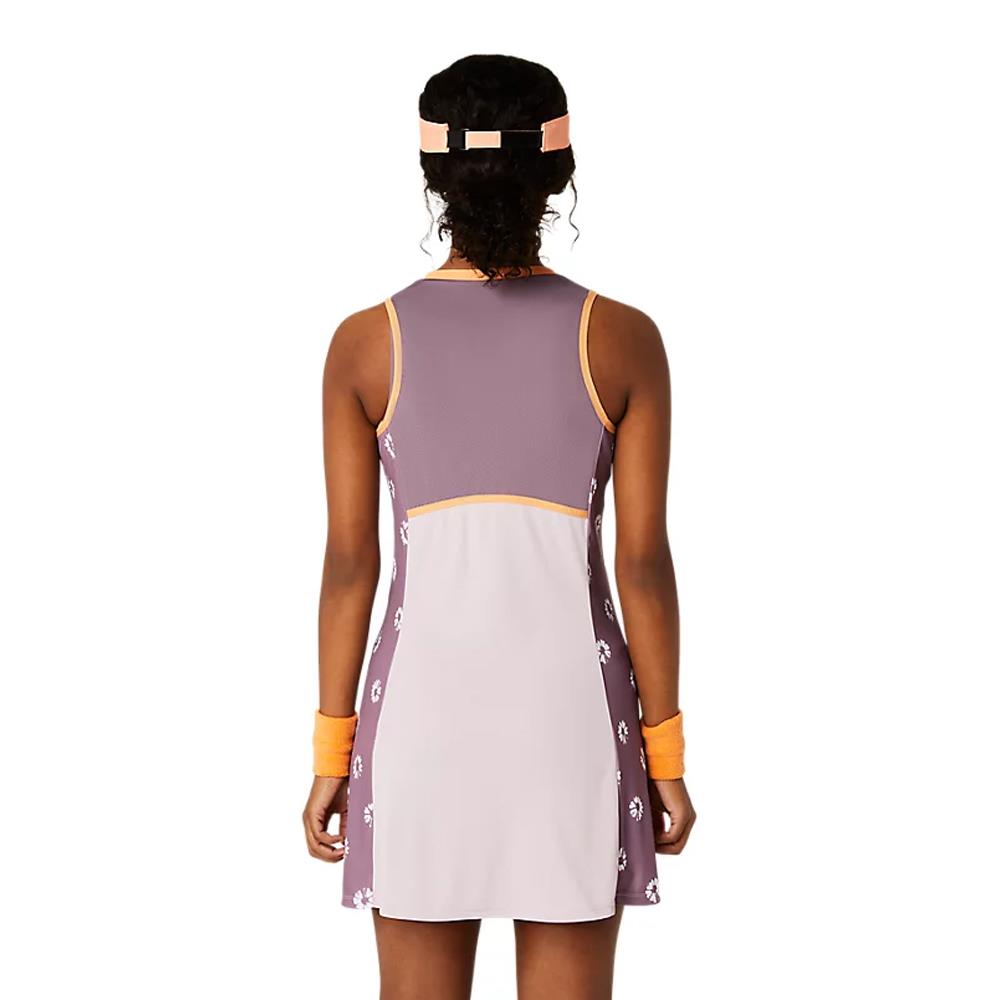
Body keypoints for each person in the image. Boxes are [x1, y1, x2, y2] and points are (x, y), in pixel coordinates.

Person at [302, 54, 695, 1000]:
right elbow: (642, 565)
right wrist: (668, 754)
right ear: (558, 171)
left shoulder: (366, 342)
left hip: (421, 725)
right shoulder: (622, 337)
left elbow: (351, 566)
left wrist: (330, 752)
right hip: (571, 725)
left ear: (433, 172)